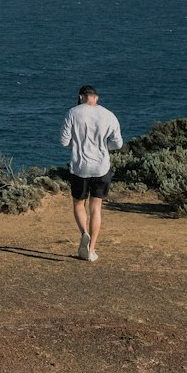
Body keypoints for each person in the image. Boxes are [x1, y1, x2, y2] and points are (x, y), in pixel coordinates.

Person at [60, 85, 122, 261]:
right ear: (96, 97)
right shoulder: (109, 115)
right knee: (96, 208)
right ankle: (91, 250)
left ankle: (84, 233)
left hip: (80, 167)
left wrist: (78, 145)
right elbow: (118, 143)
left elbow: (64, 141)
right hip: (102, 167)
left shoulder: (73, 113)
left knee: (79, 204)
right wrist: (103, 147)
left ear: (81, 97)